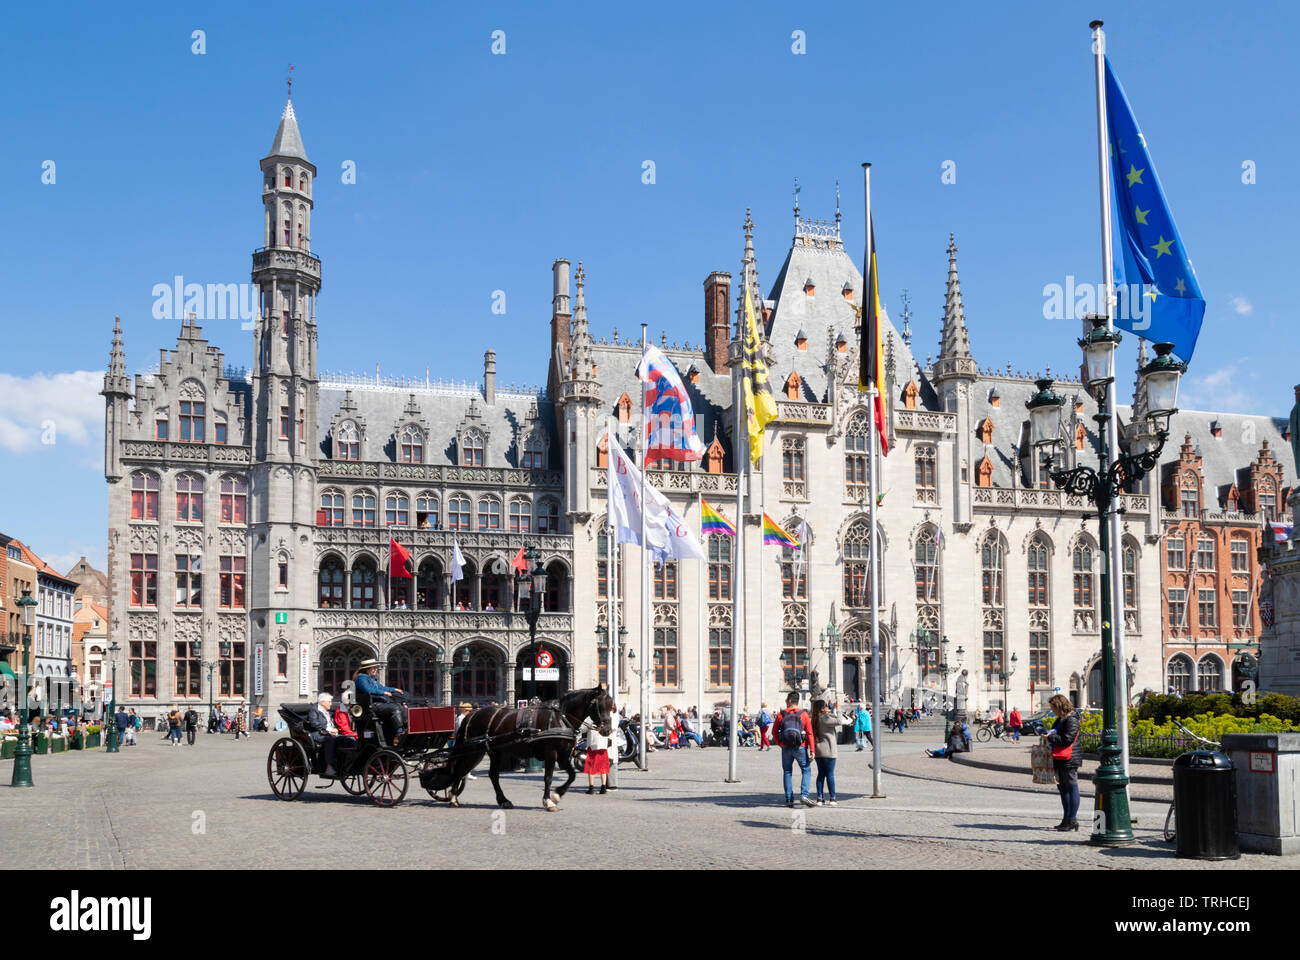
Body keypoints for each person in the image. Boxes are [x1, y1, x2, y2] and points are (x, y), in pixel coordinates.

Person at [1044, 693, 1082, 832]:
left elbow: (1067, 739)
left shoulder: (1071, 719)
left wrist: (1051, 737)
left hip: (1069, 759)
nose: (1052, 710)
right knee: (1063, 789)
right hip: (1059, 758)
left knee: (1071, 787)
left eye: (1053, 707)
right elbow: (1055, 733)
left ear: (1060, 706)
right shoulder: (1060, 719)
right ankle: (1066, 819)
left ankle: (1072, 819)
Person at [773, 692, 816, 808]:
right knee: (806, 769)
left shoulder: (781, 715)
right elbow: (810, 733)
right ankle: (804, 795)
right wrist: (812, 750)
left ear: (790, 701)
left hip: (786, 746)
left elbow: (774, 732)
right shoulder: (804, 715)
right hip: (800, 746)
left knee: (787, 772)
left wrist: (780, 744)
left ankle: (789, 798)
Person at [354, 659, 404, 744]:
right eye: (374, 668)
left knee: (401, 706)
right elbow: (368, 690)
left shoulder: (371, 679)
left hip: (378, 704)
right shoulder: (361, 678)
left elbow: (382, 687)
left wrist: (394, 689)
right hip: (371, 705)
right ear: (368, 669)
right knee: (394, 707)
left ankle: (405, 730)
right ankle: (399, 732)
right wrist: (383, 693)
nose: (376, 669)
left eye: (376, 668)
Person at [812, 700, 844, 805]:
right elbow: (839, 721)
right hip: (829, 750)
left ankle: (820, 798)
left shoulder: (815, 718)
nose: (827, 707)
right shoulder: (825, 718)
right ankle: (832, 798)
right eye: (826, 706)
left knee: (821, 774)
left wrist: (830, 710)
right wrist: (838, 709)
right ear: (822, 708)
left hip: (818, 750)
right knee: (830, 774)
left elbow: (831, 718)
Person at [305, 692, 342, 777]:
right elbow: (314, 723)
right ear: (322, 702)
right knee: (329, 740)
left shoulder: (327, 711)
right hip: (317, 734)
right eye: (329, 701)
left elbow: (331, 723)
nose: (331, 703)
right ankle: (329, 767)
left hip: (329, 733)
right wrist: (329, 730)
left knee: (345, 739)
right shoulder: (314, 710)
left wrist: (335, 729)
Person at [581, 707, 612, 794]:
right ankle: (603, 787)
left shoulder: (590, 717)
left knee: (591, 766)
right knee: (603, 766)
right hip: (602, 744)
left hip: (593, 744)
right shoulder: (606, 716)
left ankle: (591, 788)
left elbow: (583, 728)